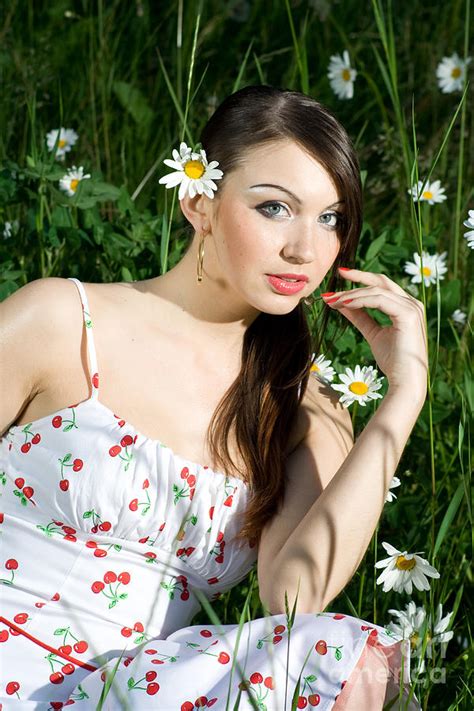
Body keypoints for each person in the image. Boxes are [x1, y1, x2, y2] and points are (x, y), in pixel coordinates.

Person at [0, 85, 426, 709]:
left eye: (330, 218)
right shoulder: (63, 321)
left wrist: (405, 392)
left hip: (135, 694)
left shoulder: (303, 407)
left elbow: (294, 602)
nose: (305, 249)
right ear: (198, 201)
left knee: (338, 656)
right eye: (276, 208)